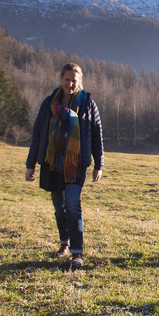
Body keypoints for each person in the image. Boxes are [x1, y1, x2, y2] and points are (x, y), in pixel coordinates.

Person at [25, 63, 104, 268]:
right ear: (61, 79)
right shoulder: (49, 103)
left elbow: (96, 134)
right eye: (67, 79)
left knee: (72, 204)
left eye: (74, 80)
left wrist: (99, 164)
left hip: (76, 164)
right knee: (59, 207)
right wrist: (31, 164)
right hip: (52, 163)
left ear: (80, 81)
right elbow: (38, 133)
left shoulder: (88, 103)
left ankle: (77, 252)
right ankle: (64, 243)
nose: (70, 83)